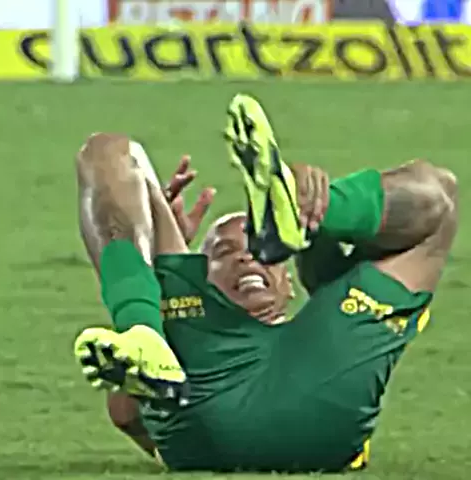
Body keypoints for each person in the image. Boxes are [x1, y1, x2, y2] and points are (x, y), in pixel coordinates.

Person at [73, 94, 457, 472]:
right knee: (106, 150)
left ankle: (312, 213)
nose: (244, 258)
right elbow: (124, 410)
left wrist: (319, 210)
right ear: (201, 276)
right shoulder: (184, 312)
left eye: (257, 248)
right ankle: (142, 330)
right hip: (208, 381)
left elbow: (127, 418)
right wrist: (154, 271)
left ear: (287, 282)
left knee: (438, 191)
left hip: (319, 358)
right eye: (224, 251)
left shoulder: (337, 315)